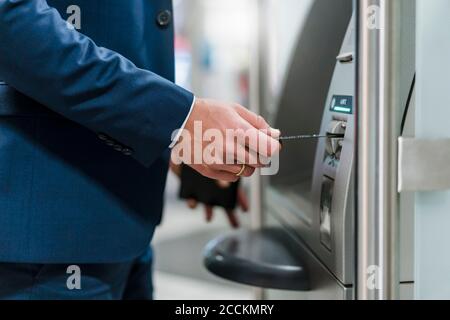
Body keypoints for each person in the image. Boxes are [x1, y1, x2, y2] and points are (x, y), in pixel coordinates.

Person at [0, 0, 281, 300]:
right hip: (49, 235)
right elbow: (11, 21)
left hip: (127, 221)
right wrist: (180, 120)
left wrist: (166, 140)